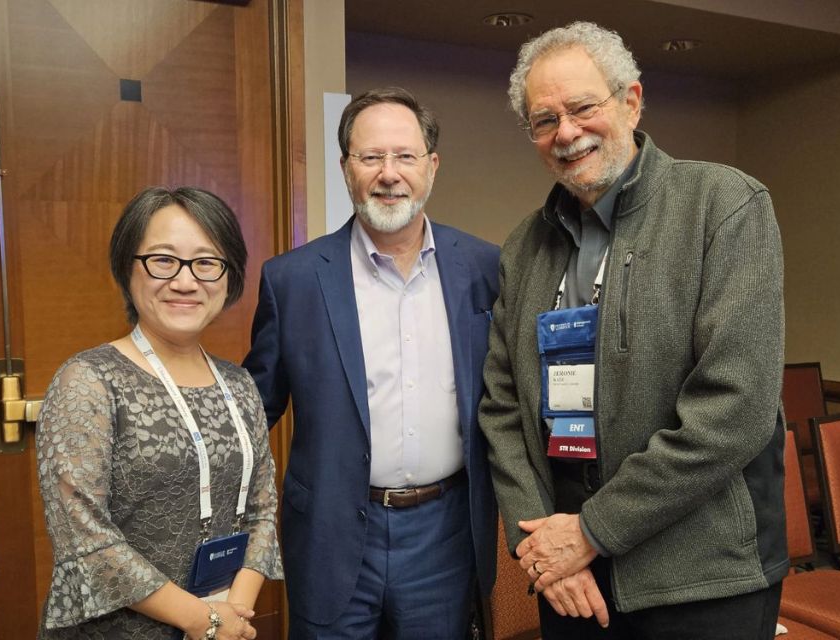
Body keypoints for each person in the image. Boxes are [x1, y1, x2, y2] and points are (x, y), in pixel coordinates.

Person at [479, 22, 787, 639]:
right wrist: (542, 545)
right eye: (544, 120)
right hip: (571, 582)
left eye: (582, 107)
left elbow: (735, 409)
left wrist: (592, 530)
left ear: (631, 100)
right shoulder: (523, 247)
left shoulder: (723, 205)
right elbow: (503, 408)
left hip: (701, 580)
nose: (566, 132)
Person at [244, 87, 499, 639]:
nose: (389, 173)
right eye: (370, 157)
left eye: (405, 156)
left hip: (445, 536)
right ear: (345, 168)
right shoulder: (293, 281)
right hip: (331, 535)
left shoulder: (485, 267)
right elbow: (252, 413)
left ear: (431, 166)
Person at [36, 187, 282, 640]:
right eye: (163, 260)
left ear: (230, 276)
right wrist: (202, 621)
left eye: (206, 262)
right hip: (118, 629)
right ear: (127, 269)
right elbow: (85, 539)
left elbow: (262, 510)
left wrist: (232, 614)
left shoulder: (239, 384)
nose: (186, 282)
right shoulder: (88, 380)